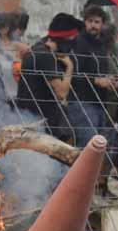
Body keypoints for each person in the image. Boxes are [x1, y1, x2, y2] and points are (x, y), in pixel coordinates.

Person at [67, 5, 118, 186]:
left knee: (102, 149)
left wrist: (112, 81)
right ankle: (77, 190)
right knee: (87, 149)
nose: (93, 26)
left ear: (102, 24)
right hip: (82, 102)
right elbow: (75, 74)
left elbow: (105, 71)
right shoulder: (79, 42)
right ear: (84, 22)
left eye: (97, 22)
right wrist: (97, 81)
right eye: (90, 21)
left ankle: (93, 189)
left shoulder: (102, 45)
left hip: (100, 104)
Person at [14, 13, 78, 142]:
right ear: (65, 39)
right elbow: (61, 93)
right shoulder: (46, 55)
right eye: (72, 39)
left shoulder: (38, 47)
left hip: (30, 117)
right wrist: (70, 67)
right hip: (37, 122)